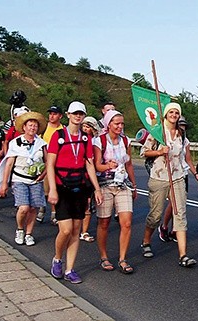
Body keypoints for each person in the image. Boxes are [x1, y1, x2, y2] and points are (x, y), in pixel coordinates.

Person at [46, 101, 102, 284]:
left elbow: (89, 163)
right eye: (75, 113)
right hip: (62, 186)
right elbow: (50, 163)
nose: (78, 116)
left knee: (76, 230)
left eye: (81, 114)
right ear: (68, 115)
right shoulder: (58, 136)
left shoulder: (86, 138)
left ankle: (70, 269)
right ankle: (57, 258)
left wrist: (97, 188)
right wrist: (52, 189)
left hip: (80, 186)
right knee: (66, 229)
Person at [139, 102, 197, 267]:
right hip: (159, 177)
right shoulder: (157, 132)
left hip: (178, 177)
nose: (174, 115)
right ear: (165, 114)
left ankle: (183, 255)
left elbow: (185, 157)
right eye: (171, 112)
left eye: (176, 112)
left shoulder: (181, 134)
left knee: (180, 215)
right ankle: (146, 241)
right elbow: (144, 152)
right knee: (155, 215)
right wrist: (159, 151)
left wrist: (193, 173)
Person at [93, 110, 137, 274]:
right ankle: (103, 256)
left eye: (122, 123)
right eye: (116, 123)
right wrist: (107, 166)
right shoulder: (100, 141)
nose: (120, 126)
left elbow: (129, 164)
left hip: (122, 184)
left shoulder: (126, 141)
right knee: (104, 222)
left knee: (126, 222)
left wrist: (134, 184)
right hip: (105, 184)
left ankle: (122, 258)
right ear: (108, 124)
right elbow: (97, 165)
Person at [0, 111, 48, 246]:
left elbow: (48, 162)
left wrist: (43, 174)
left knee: (33, 208)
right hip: (19, 179)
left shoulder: (41, 144)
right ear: (24, 127)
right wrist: (4, 183)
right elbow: (9, 163)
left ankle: (29, 233)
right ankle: (20, 229)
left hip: (36, 180)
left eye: (35, 126)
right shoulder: (15, 143)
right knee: (24, 207)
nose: (32, 128)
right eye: (30, 125)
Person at [158, 116, 198, 242]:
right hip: (169, 174)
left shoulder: (185, 141)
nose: (182, 128)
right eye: (180, 125)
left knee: (180, 204)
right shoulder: (167, 137)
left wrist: (196, 174)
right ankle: (164, 226)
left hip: (182, 174)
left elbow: (188, 160)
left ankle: (175, 230)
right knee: (173, 203)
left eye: (184, 126)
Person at [37, 105, 65, 225]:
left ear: (60, 116)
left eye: (54, 114)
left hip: (58, 163)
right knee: (45, 189)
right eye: (50, 113)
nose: (51, 116)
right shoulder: (44, 128)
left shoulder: (63, 130)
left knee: (56, 188)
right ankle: (42, 207)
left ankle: (54, 214)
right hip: (45, 162)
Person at [77, 116, 101, 242]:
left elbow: (94, 161)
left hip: (88, 176)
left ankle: (84, 231)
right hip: (76, 175)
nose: (85, 129)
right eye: (84, 126)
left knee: (87, 205)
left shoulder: (95, 142)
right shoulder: (77, 138)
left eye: (88, 127)